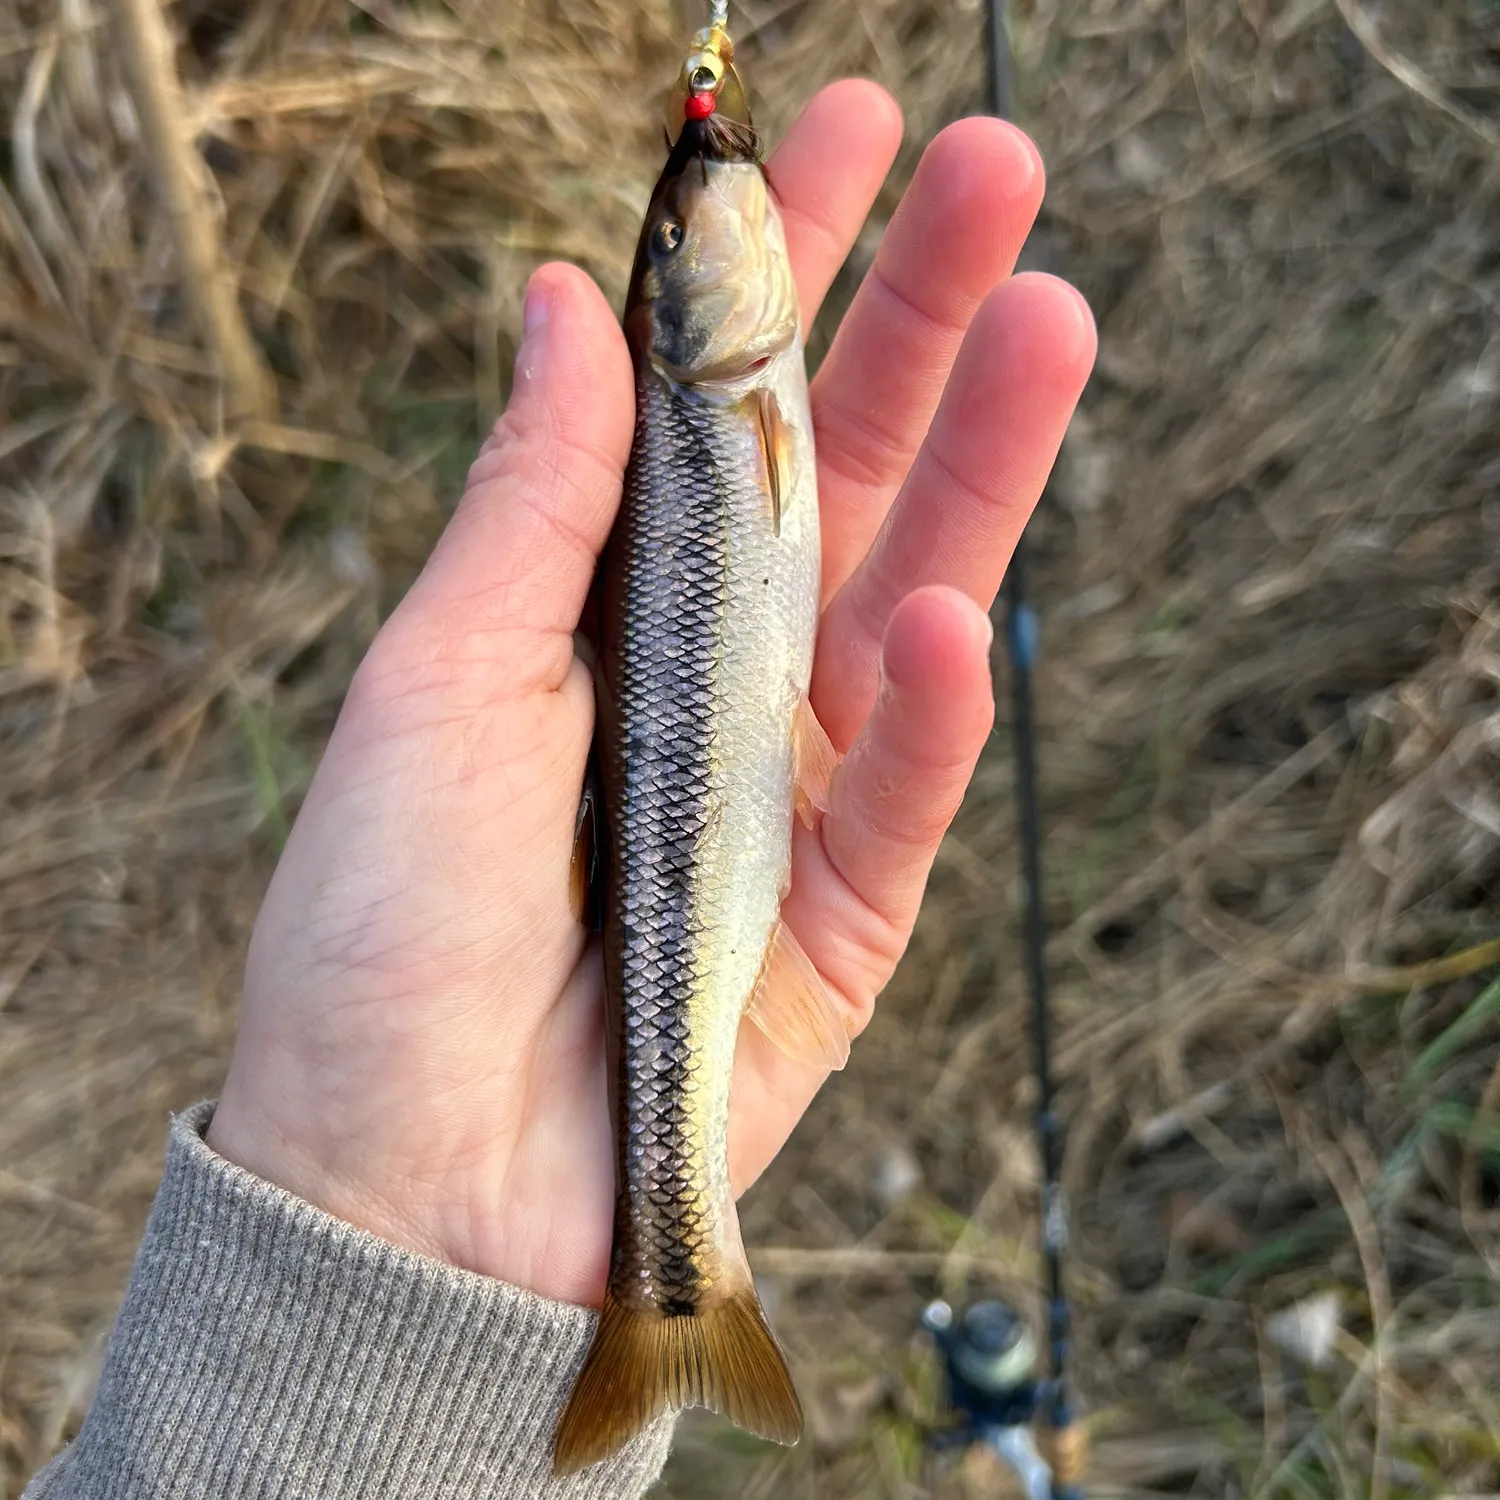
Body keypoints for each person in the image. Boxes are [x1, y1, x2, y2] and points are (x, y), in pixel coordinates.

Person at [24, 82, 1095, 1499]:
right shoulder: (721, 384)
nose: (704, 215)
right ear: (678, 309)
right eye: (675, 247)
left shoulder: (724, 380)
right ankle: (675, 1282)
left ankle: (669, 1281)